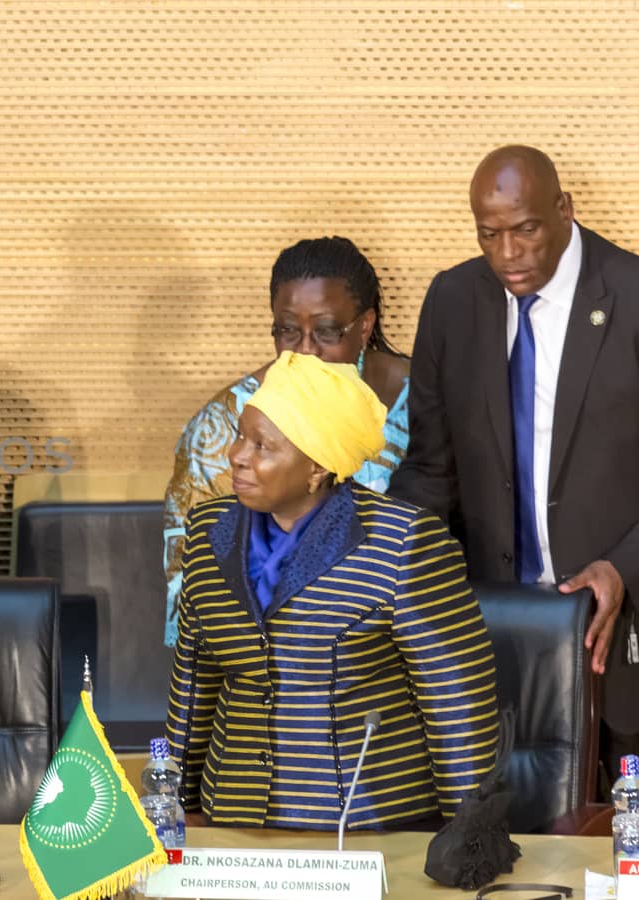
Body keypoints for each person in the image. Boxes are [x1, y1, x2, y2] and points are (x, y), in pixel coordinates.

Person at [166, 351, 498, 831]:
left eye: (262, 446)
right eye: (241, 434)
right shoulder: (207, 532)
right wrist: (176, 802)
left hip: (365, 826)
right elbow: (195, 681)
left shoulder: (402, 543)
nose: (237, 454)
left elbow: (456, 705)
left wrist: (469, 842)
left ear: (317, 468)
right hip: (232, 818)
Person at [390, 145, 639, 780]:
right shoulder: (452, 301)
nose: (507, 254)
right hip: (489, 641)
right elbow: (429, 471)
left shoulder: (632, 297)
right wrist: (387, 571)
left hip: (619, 638)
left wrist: (622, 569)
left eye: (525, 230)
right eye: (489, 234)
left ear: (564, 209)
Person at [161, 237, 409, 645]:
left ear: (365, 325)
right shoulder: (221, 428)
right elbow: (191, 600)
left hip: (400, 654)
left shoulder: (424, 406)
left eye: (327, 331)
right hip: (269, 663)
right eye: (289, 331)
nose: (306, 351)